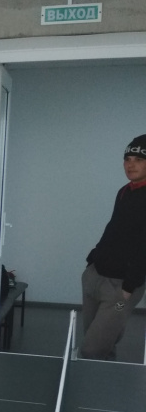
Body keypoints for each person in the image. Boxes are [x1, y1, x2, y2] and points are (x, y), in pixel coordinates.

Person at [79, 134, 146, 360]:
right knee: (99, 341)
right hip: (95, 277)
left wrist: (129, 287)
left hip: (121, 289)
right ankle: (103, 378)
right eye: (127, 159)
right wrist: (93, 258)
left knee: (92, 349)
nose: (130, 165)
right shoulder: (124, 191)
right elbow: (114, 228)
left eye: (139, 159)